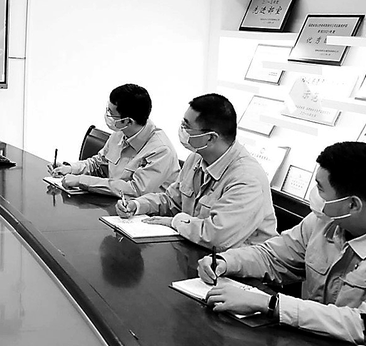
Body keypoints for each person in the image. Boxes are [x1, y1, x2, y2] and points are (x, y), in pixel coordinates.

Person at [198, 142, 366, 344]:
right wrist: (226, 261)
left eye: (321, 189)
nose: (315, 194)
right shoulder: (321, 222)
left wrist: (271, 304)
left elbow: (360, 323)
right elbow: (272, 256)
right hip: (305, 340)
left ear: (353, 204)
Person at [116, 93, 277, 250]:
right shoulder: (197, 157)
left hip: (236, 263)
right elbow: (172, 200)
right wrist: (137, 205)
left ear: (210, 138)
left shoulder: (246, 178)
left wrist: (175, 222)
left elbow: (216, 237)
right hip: (195, 249)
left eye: (187, 127)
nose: (182, 130)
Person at [52, 83, 180, 197]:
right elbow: (98, 164)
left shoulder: (161, 150)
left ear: (128, 121)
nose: (107, 116)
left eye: (111, 113)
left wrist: (81, 181)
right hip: (114, 204)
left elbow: (134, 190)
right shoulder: (121, 132)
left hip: (144, 213)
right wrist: (70, 169)